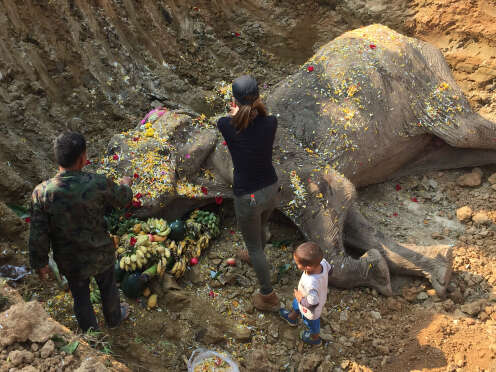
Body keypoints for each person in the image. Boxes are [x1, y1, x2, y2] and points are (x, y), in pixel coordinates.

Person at [29, 131, 133, 332]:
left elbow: (38, 233)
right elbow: (122, 199)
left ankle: (91, 333)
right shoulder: (97, 183)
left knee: (80, 296)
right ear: (83, 158)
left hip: (70, 260)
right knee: (109, 288)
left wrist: (40, 263)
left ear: (57, 158)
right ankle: (114, 319)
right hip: (100, 252)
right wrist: (125, 185)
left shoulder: (42, 193)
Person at [217, 75, 280, 311]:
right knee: (261, 230)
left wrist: (234, 114)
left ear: (234, 101)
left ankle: (268, 296)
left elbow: (229, 121)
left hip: (248, 197)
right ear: (258, 98)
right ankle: (257, 255)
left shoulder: (226, 126)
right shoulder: (271, 122)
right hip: (271, 189)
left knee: (254, 247)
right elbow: (261, 117)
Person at [279, 242, 333, 345]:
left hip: (310, 310)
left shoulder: (311, 283)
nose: (296, 264)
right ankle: (292, 318)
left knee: (312, 324)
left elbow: (312, 303)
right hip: (306, 295)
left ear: (307, 267)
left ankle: (315, 338)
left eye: (297, 263)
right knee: (296, 305)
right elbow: (330, 271)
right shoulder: (323, 262)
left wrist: (300, 298)